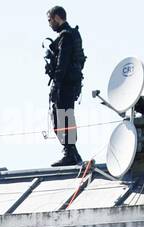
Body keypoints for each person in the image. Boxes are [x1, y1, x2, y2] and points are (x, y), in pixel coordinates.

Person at [45, 7, 86, 167]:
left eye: (50, 20)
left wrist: (56, 85)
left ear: (56, 17)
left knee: (61, 117)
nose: (50, 24)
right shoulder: (72, 34)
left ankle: (70, 153)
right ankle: (72, 152)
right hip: (71, 83)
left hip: (65, 84)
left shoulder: (66, 36)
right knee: (65, 116)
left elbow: (62, 64)